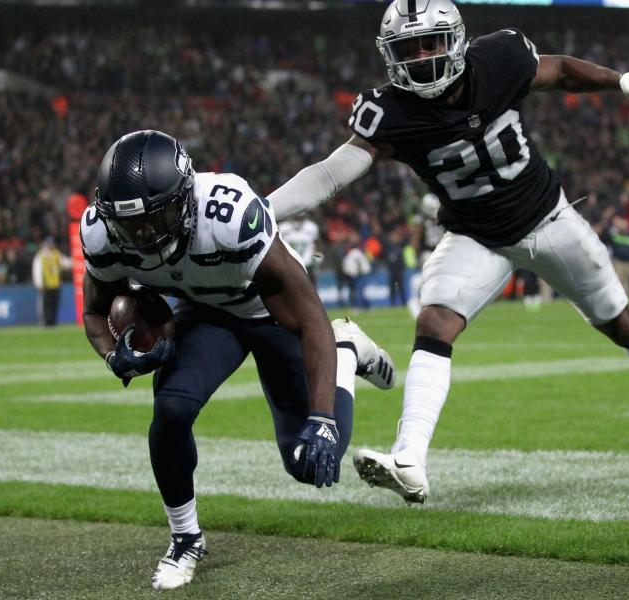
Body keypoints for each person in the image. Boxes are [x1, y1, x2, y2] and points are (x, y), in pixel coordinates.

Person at [269, 0, 629, 505]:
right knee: (435, 323)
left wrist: (622, 80)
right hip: (476, 237)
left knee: (621, 322)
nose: (420, 57)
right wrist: (263, 208)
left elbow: (562, 71)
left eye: (430, 43)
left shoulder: (500, 59)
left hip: (548, 218)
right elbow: (331, 173)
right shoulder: (390, 111)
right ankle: (410, 459)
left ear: (457, 40)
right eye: (407, 48)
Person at [79, 130, 396, 589]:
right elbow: (94, 309)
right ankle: (185, 537)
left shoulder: (229, 214)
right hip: (206, 314)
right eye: (132, 226)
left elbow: (310, 318)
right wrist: (114, 357)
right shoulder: (101, 232)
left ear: (185, 197)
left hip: (269, 312)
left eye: (156, 217)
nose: (144, 235)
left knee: (308, 460)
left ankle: (346, 351)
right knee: (171, 408)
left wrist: (323, 417)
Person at [32, 236, 72, 326]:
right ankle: (47, 322)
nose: (51, 245)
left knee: (55, 305)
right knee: (46, 306)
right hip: (46, 285)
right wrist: (39, 284)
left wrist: (76, 260)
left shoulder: (56, 254)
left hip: (56, 284)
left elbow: (65, 263)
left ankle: (53, 322)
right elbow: (37, 271)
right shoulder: (40, 256)